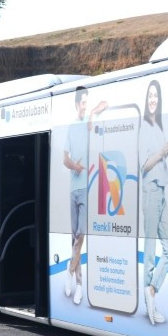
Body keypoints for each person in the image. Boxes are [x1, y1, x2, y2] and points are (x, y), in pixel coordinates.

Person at [62, 86, 106, 306]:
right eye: (83, 103)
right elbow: (65, 160)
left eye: (87, 102)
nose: (85, 105)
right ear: (76, 104)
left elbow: (91, 125)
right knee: (74, 239)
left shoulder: (88, 125)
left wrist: (94, 112)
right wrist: (76, 167)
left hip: (87, 190)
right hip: (73, 189)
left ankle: (69, 272)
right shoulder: (71, 128)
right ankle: (79, 284)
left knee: (81, 235)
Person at [139, 79, 168, 325]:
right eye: (150, 96)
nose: (153, 100)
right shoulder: (144, 128)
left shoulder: (158, 126)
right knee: (151, 249)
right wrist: (161, 153)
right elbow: (144, 166)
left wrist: (166, 151)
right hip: (150, 191)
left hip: (161, 190)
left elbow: (158, 160)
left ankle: (151, 289)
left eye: (156, 96)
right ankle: (149, 299)